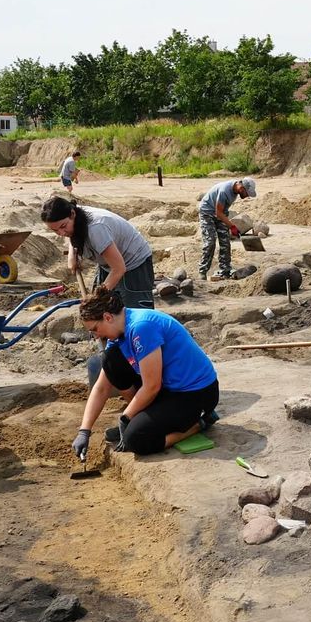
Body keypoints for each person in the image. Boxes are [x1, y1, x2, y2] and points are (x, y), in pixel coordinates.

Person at [71, 287, 219, 457]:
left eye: (94, 329)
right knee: (110, 360)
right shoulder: (118, 333)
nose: (96, 336)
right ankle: (141, 421)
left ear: (107, 317)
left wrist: (126, 418)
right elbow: (102, 387)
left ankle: (197, 424)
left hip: (195, 394)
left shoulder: (141, 327)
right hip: (169, 388)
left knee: (135, 440)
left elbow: (152, 386)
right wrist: (84, 431)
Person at [40, 196, 155, 309]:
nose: (61, 233)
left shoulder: (96, 228)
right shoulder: (72, 214)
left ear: (72, 214)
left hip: (134, 263)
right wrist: (72, 255)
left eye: (63, 226)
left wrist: (96, 298)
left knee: (134, 313)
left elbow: (119, 269)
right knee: (105, 310)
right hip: (109, 264)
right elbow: (70, 233)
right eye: (55, 230)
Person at [198, 177, 257, 281]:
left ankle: (225, 270)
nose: (247, 196)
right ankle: (202, 271)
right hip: (207, 213)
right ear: (242, 187)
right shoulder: (225, 190)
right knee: (210, 241)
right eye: (247, 193)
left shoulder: (235, 191)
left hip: (220, 213)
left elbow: (221, 212)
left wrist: (231, 227)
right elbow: (218, 212)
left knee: (225, 241)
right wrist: (232, 226)